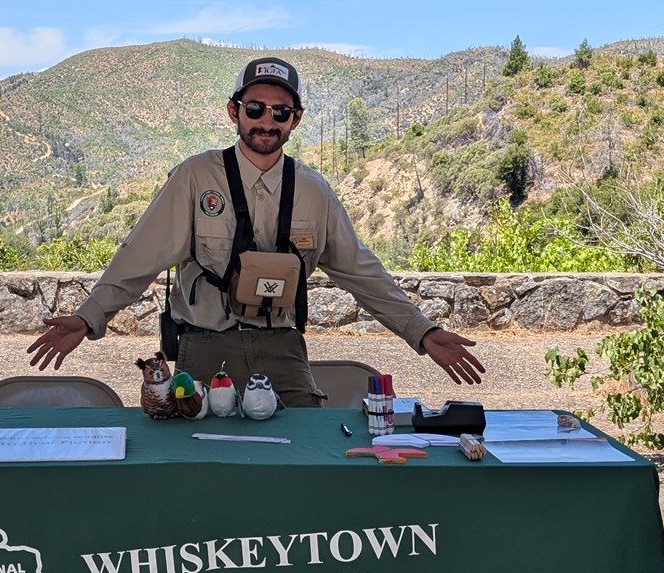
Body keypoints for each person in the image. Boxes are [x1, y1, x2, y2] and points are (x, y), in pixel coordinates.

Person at [27, 56, 485, 406]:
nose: (267, 120)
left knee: (303, 459)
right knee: (198, 464)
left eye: (280, 112)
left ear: (296, 119)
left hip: (282, 347)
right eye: (256, 108)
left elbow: (362, 272)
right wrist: (89, 318)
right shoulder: (195, 178)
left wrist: (421, 332)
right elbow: (138, 257)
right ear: (234, 111)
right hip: (205, 347)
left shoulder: (313, 191)